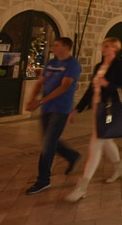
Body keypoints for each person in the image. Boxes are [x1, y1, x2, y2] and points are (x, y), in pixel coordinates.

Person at [65, 37, 122, 202]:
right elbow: (90, 90)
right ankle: (119, 168)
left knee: (96, 144)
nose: (103, 48)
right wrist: (77, 109)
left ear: (114, 48)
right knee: (106, 140)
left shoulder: (119, 66)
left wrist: (106, 83)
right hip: (97, 108)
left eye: (107, 46)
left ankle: (82, 188)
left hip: (109, 110)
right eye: (103, 45)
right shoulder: (99, 66)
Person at [24, 37, 82, 195]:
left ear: (66, 47)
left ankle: (43, 180)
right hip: (46, 108)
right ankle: (72, 156)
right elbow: (39, 82)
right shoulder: (50, 63)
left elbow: (64, 87)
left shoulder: (73, 65)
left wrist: (40, 101)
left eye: (56, 45)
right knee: (49, 141)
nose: (53, 47)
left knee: (48, 144)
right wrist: (32, 99)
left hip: (61, 108)